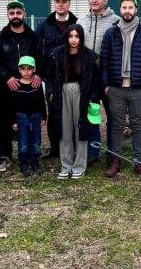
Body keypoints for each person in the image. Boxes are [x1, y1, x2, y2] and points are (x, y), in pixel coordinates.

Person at [100, 0, 141, 178]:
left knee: (137, 125)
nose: (127, 11)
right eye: (124, 7)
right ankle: (115, 161)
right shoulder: (111, 33)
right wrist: (106, 86)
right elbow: (104, 61)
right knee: (116, 125)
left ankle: (138, 162)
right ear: (120, 10)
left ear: (136, 10)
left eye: (130, 7)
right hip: (116, 88)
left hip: (137, 89)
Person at [0, 0, 43, 173]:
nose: (15, 16)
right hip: (7, 88)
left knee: (30, 121)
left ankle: (31, 154)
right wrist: (7, 77)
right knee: (6, 121)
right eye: (12, 13)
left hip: (29, 86)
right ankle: (5, 155)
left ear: (24, 14)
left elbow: (41, 58)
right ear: (7, 15)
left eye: (18, 13)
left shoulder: (33, 37)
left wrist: (38, 73)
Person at [48, 24, 100, 179]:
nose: (73, 39)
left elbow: (95, 80)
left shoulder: (89, 56)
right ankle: (66, 165)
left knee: (81, 128)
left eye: (77, 36)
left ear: (81, 38)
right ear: (66, 37)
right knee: (65, 130)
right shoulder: (57, 54)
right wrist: (50, 92)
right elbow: (50, 75)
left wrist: (93, 98)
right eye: (71, 36)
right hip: (62, 92)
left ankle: (79, 166)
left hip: (81, 93)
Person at [77, 0, 120, 164]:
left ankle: (113, 152)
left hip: (109, 76)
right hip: (89, 77)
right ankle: (93, 152)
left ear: (105, 0)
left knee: (113, 116)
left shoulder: (116, 21)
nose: (95, 0)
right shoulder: (81, 20)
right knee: (91, 114)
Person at [35, 0, 77, 159]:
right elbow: (37, 49)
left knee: (73, 113)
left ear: (69, 4)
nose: (60, 4)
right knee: (54, 113)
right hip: (52, 77)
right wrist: (41, 72)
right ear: (54, 4)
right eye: (57, 1)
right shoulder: (45, 25)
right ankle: (54, 148)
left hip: (72, 75)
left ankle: (72, 147)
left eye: (64, 1)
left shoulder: (76, 22)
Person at [11, 56, 47, 177]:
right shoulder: (16, 85)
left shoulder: (37, 84)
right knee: (23, 142)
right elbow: (12, 105)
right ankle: (24, 164)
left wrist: (44, 116)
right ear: (19, 70)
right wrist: (14, 121)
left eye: (29, 69)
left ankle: (35, 162)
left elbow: (42, 101)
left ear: (34, 69)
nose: (26, 72)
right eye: (23, 69)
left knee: (36, 142)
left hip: (35, 116)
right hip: (21, 117)